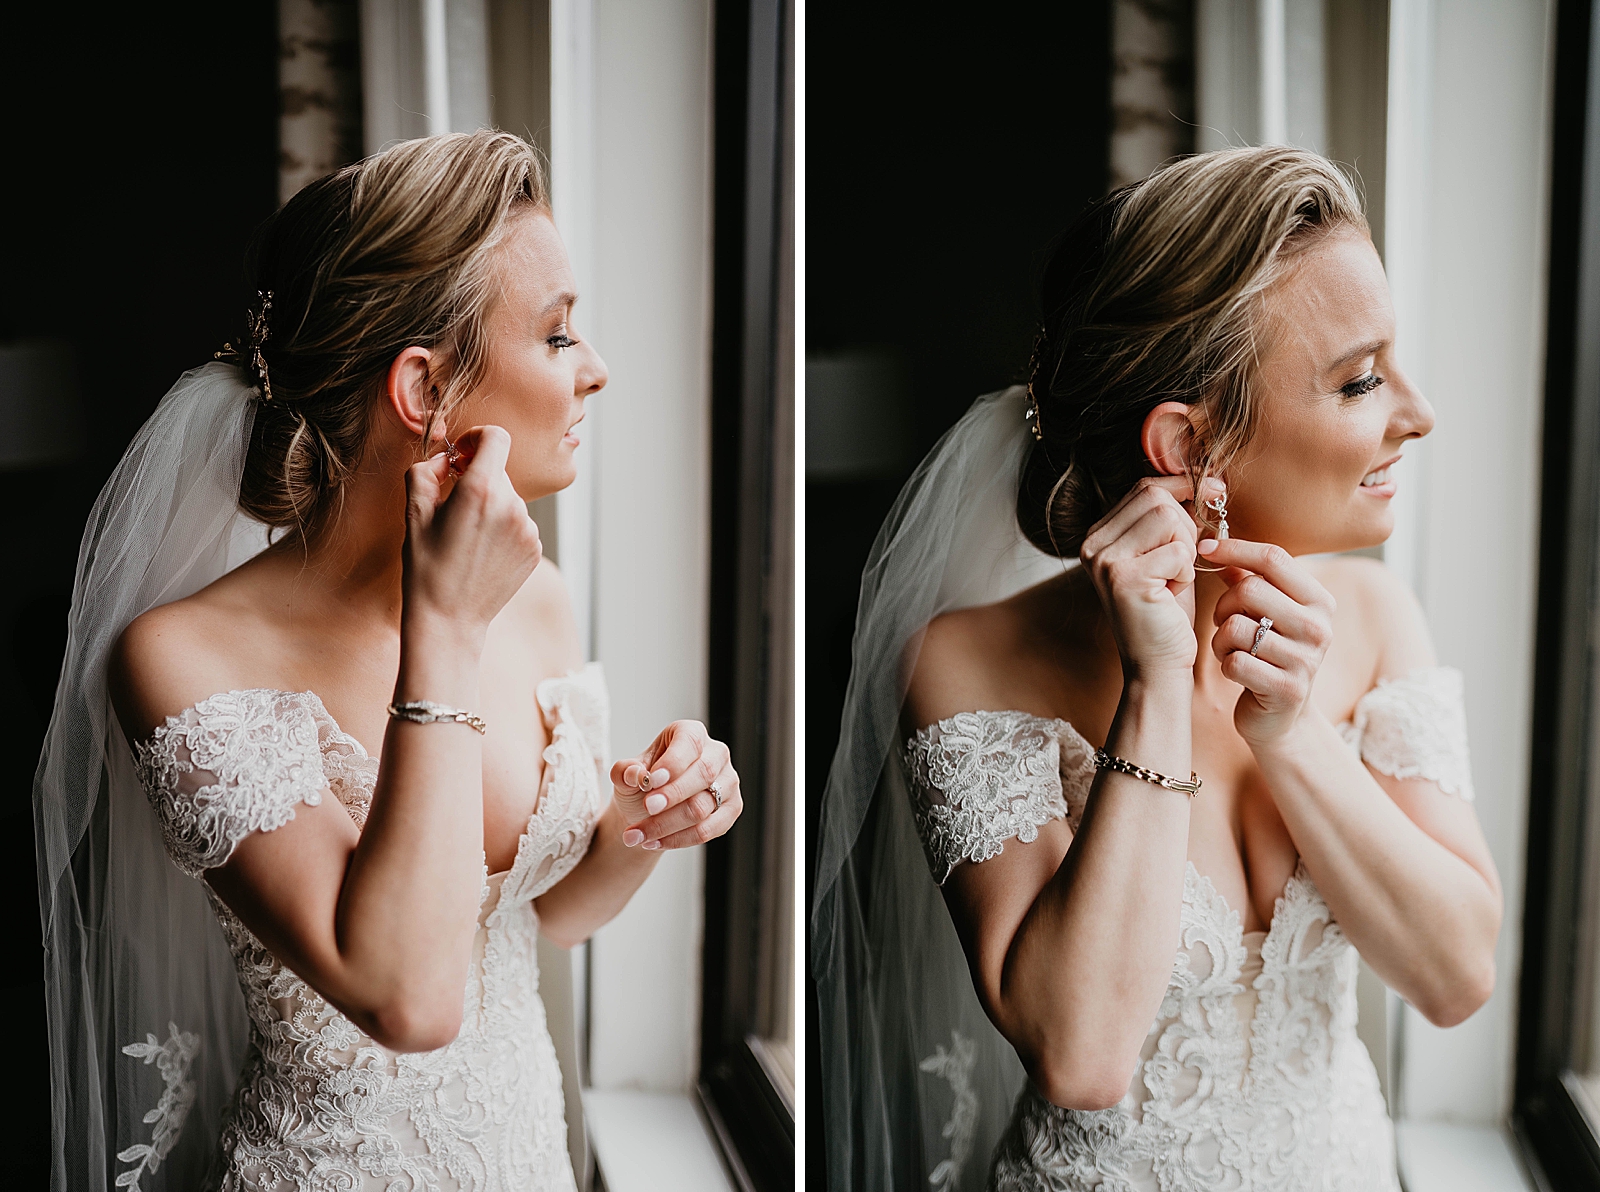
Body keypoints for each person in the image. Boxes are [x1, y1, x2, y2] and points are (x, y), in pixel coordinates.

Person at [36, 130, 741, 1192]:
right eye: (556, 336)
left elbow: (545, 915)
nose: (596, 369)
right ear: (424, 389)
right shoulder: (183, 661)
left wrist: (652, 818)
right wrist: (444, 629)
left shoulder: (535, 600)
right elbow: (407, 996)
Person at [812, 146, 1502, 1190]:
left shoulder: (1375, 621)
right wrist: (1154, 687)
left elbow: (1455, 976)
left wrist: (1290, 728)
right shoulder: (966, 661)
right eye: (1360, 378)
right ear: (1189, 444)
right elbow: (1081, 1058)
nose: (1417, 411)